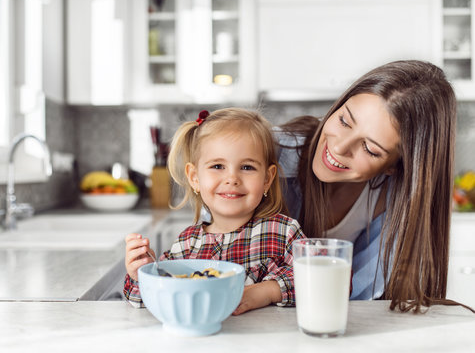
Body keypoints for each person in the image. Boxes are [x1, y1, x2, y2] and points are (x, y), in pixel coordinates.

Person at [277, 60, 473, 313]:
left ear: (394, 167)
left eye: (370, 149)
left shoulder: (401, 204)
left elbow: (361, 305)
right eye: (344, 121)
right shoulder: (263, 156)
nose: (338, 147)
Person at [124, 108, 304, 315]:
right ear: (194, 178)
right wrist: (141, 274)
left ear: (266, 179)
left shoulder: (282, 232)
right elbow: (147, 300)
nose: (232, 178)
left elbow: (318, 281)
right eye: (218, 166)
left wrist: (264, 292)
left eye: (247, 167)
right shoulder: (187, 244)